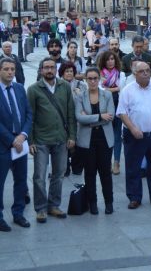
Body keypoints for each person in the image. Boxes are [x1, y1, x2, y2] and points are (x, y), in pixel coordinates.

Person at [27, 57, 77, 223]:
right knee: (39, 176)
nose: (49, 70)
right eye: (46, 68)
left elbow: (70, 113)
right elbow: (30, 117)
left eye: (51, 67)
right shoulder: (34, 89)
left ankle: (54, 205)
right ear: (41, 70)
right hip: (41, 139)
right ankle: (40, 208)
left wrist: (72, 136)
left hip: (61, 138)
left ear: (56, 70)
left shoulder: (65, 87)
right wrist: (31, 141)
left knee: (59, 174)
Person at [116, 61, 151, 209]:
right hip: (134, 135)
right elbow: (122, 112)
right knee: (133, 168)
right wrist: (133, 128)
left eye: (147, 70)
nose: (146, 73)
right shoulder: (127, 90)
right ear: (135, 74)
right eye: (142, 71)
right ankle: (134, 197)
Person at [75, 67, 115, 215]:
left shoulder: (107, 95)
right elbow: (79, 118)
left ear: (99, 79)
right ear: (85, 80)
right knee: (90, 173)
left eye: (95, 78)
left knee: (105, 172)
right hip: (87, 140)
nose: (92, 81)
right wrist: (99, 117)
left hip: (104, 139)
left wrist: (89, 118)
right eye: (89, 78)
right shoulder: (80, 96)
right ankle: (92, 203)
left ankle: (109, 203)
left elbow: (110, 116)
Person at [0, 58, 32, 232]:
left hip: (21, 142)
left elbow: (28, 113)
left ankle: (18, 213)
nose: (10, 72)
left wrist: (23, 135)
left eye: (12, 69)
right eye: (6, 69)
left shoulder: (19, 88)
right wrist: (12, 140)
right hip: (3, 145)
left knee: (21, 181)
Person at [97, 51, 125, 175]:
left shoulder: (121, 74)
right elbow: (100, 89)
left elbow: (122, 88)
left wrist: (108, 89)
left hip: (118, 106)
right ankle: (107, 161)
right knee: (106, 136)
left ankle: (116, 162)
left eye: (112, 59)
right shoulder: (99, 75)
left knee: (117, 135)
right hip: (105, 108)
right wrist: (115, 88)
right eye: (108, 59)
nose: (110, 61)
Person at [58, 62, 87, 176]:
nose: (69, 73)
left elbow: (86, 101)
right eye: (66, 71)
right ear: (62, 73)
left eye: (71, 71)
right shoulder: (58, 85)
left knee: (78, 143)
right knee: (64, 144)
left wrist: (80, 95)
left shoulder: (81, 85)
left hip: (78, 119)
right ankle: (65, 168)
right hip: (63, 119)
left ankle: (77, 166)